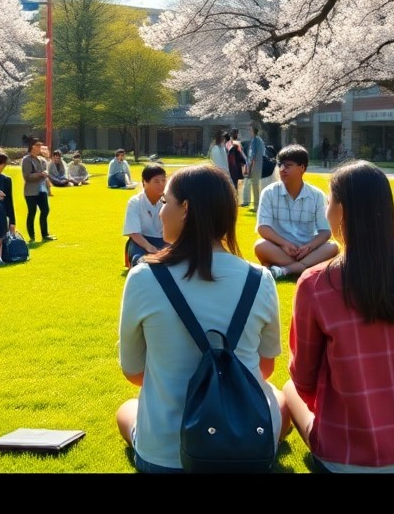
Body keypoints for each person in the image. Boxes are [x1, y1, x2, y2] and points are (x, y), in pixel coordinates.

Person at [283, 161, 394, 473]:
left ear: (343, 211)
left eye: (330, 201)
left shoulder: (316, 284)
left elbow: (303, 378)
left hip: (345, 457)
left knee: (288, 388)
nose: (327, 209)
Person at [115, 164, 289, 472]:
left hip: (165, 455)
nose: (159, 212)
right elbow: (264, 368)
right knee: (278, 397)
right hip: (245, 447)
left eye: (165, 202)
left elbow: (134, 372)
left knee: (127, 409)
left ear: (185, 209)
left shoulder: (144, 277)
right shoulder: (259, 279)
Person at [254, 145, 340, 281]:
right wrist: (284, 244)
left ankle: (286, 269)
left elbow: (325, 231)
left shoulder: (317, 195)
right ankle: (304, 269)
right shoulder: (269, 193)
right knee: (260, 246)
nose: (282, 169)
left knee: (333, 247)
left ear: (302, 168)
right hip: (280, 250)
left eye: (288, 165)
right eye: (280, 165)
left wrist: (309, 247)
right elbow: (263, 227)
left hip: (308, 252)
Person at [123, 163, 168, 266]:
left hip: (165, 241)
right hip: (142, 241)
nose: (161, 184)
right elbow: (134, 233)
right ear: (144, 182)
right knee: (140, 261)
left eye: (163, 181)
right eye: (156, 181)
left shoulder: (170, 201)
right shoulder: (135, 202)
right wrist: (150, 248)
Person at [20, 139, 56, 242]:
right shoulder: (26, 160)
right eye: (38, 145)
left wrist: (44, 173)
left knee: (45, 210)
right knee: (32, 212)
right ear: (32, 146)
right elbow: (27, 176)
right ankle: (32, 237)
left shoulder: (41, 159)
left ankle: (45, 234)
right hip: (31, 191)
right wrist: (40, 174)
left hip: (42, 189)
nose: (40, 147)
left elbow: (46, 171)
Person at [243, 124, 267, 209]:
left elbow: (253, 155)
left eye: (250, 129)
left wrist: (250, 168)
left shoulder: (255, 140)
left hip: (255, 166)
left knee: (255, 186)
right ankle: (256, 205)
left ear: (253, 131)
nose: (249, 131)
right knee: (255, 186)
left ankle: (257, 206)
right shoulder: (258, 140)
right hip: (257, 165)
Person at [226, 128, 247, 204]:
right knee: (235, 183)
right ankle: (234, 199)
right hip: (234, 165)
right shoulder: (235, 144)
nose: (236, 135)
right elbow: (240, 154)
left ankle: (235, 199)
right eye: (236, 133)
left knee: (235, 183)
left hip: (234, 166)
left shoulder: (230, 143)